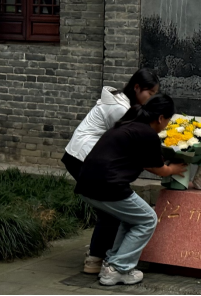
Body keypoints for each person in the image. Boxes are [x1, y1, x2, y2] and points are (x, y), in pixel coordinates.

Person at [75, 94, 187, 286]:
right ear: (161, 118)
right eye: (168, 120)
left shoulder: (128, 124)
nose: (167, 125)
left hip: (87, 183)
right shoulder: (147, 133)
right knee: (148, 219)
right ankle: (119, 268)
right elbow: (157, 168)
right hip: (108, 185)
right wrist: (174, 170)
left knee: (132, 218)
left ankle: (111, 263)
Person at [61, 68, 160, 274]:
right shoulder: (120, 109)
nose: (151, 98)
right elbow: (134, 139)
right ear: (137, 87)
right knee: (112, 207)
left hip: (82, 155)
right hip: (82, 157)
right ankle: (97, 258)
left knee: (110, 208)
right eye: (149, 93)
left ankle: (99, 254)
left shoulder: (125, 103)